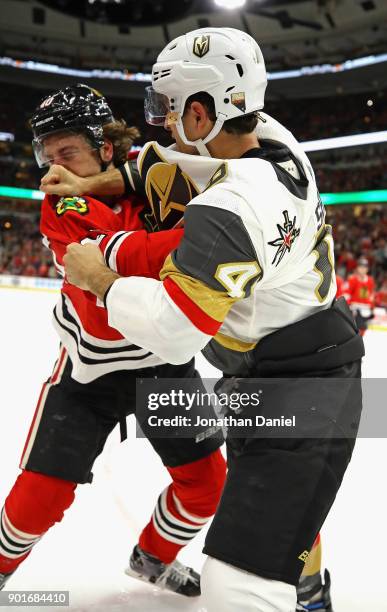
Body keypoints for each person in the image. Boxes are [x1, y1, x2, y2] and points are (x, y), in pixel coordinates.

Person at [62, 28, 365, 612]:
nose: (163, 125)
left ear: (202, 113)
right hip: (287, 363)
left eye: (172, 111)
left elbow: (178, 329)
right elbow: (174, 166)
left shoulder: (233, 209)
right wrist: (97, 180)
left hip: (302, 389)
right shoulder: (269, 137)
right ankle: (308, 585)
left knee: (239, 587)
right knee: (273, 505)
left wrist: (101, 277)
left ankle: (301, 591)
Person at [0, 84, 226, 596]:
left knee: (207, 487)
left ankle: (152, 558)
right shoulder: (62, 204)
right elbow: (127, 259)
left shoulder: (154, 169)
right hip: (88, 372)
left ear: (105, 148)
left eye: (67, 153)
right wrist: (201, 233)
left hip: (165, 365)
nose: (52, 170)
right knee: (40, 497)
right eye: (46, 156)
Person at [346, 257, 375, 336]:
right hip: (355, 308)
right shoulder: (352, 279)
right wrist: (349, 307)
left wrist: (372, 308)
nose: (362, 269)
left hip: (366, 309)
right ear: (357, 268)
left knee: (363, 329)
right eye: (361, 267)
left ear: (367, 269)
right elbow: (347, 294)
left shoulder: (370, 281)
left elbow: (371, 295)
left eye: (364, 267)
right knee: (355, 329)